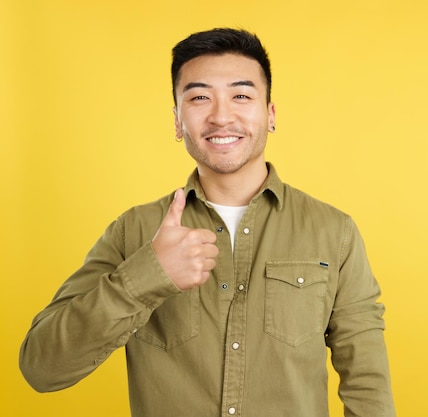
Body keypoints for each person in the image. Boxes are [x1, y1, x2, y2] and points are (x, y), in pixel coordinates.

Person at [19, 28, 395, 417]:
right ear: (178, 121)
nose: (220, 116)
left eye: (241, 96)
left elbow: (367, 384)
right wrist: (147, 276)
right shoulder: (133, 231)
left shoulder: (335, 232)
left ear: (269, 115)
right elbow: (41, 369)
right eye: (199, 97)